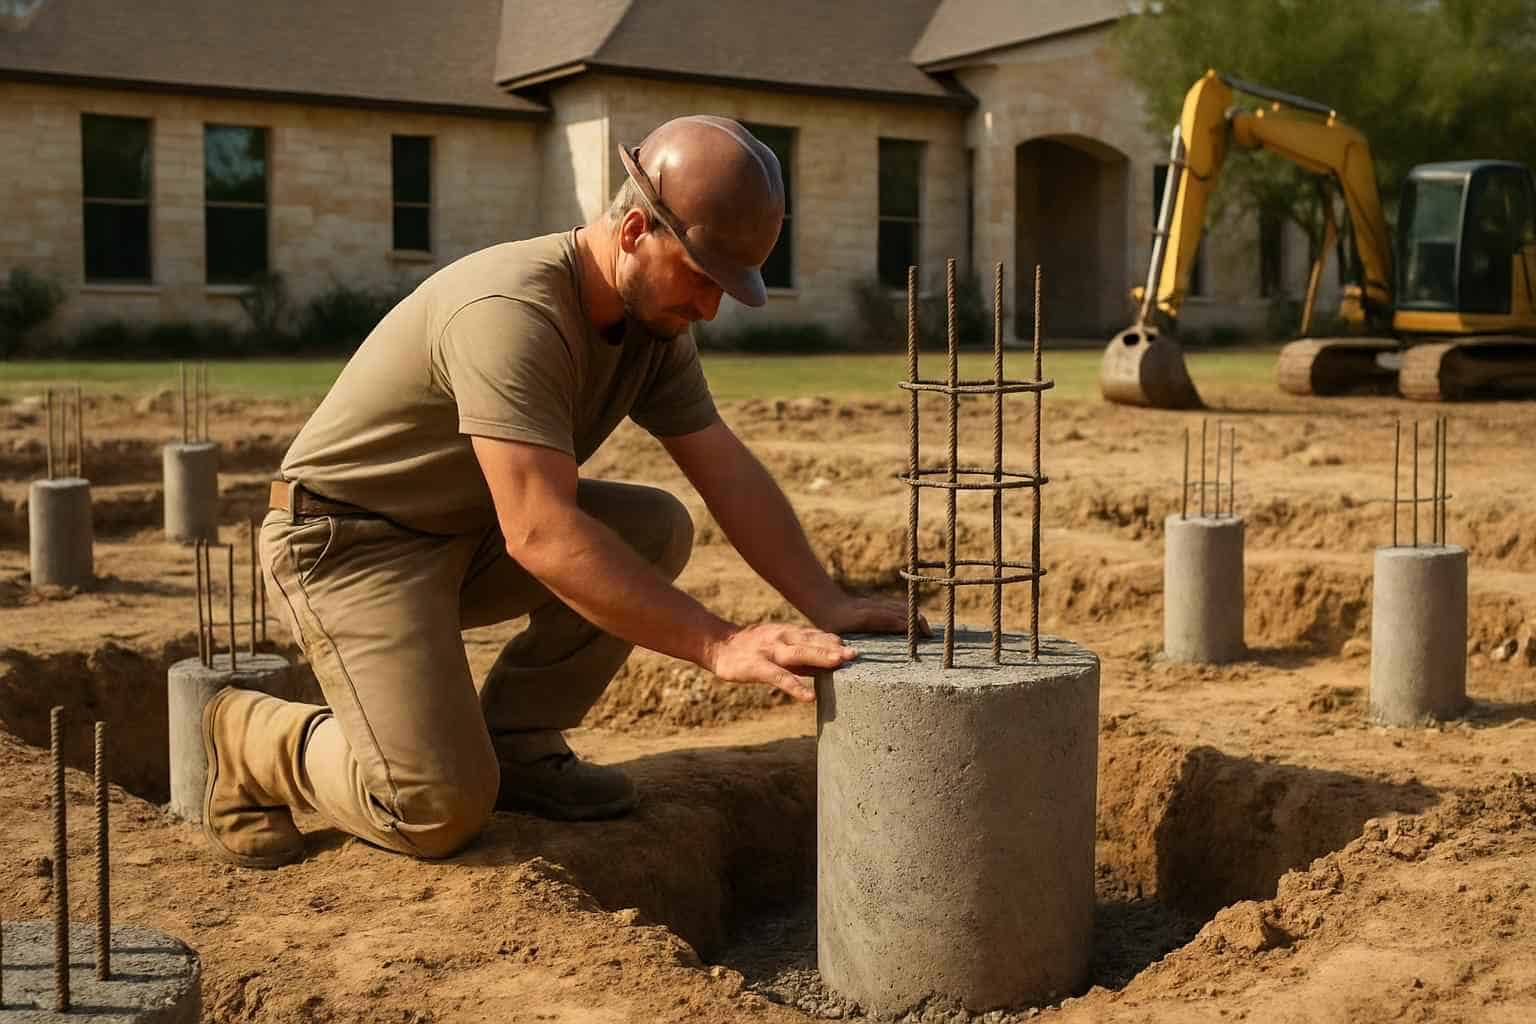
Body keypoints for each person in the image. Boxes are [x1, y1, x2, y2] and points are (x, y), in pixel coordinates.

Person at [200, 115, 916, 868]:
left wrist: (825, 600)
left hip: (461, 531)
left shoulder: (654, 328)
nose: (710, 308)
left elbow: (724, 467)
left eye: (727, 288)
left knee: (655, 527)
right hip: (349, 545)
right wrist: (719, 643)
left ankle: (520, 743)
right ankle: (257, 739)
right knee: (435, 809)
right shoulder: (514, 312)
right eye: (702, 277)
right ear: (635, 229)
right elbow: (539, 532)